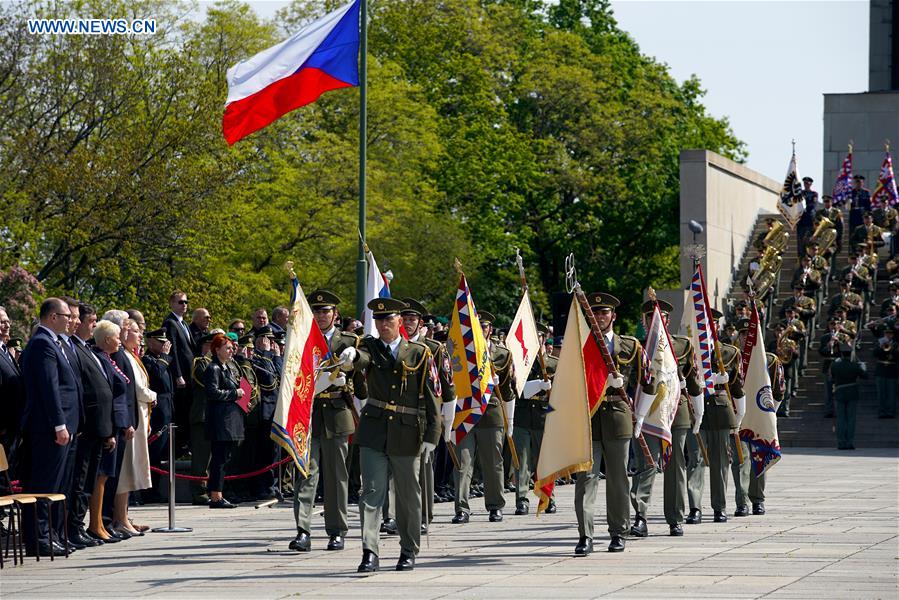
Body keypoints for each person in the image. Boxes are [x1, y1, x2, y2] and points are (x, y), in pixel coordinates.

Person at [351, 298, 440, 573]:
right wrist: (351, 357)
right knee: (371, 492)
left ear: (399, 322)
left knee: (408, 496)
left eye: (388, 320)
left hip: (407, 432)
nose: (383, 325)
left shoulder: (419, 353)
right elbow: (362, 358)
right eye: (379, 320)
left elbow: (433, 395)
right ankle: (370, 551)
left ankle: (408, 549)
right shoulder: (369, 347)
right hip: (374, 431)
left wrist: (432, 434)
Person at [574, 292, 648, 555]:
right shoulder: (580, 345)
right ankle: (586, 535)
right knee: (586, 479)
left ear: (613, 316)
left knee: (618, 479)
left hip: (618, 415)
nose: (600, 317)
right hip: (589, 417)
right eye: (595, 313)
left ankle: (618, 531)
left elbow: (647, 382)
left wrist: (640, 416)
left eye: (604, 312)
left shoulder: (630, 346)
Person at [289, 290, 359, 553]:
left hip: (337, 413)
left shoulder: (348, 341)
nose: (320, 315)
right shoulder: (301, 339)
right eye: (316, 311)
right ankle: (303, 530)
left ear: (335, 314)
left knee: (337, 477)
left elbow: (360, 378)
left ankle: (337, 530)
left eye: (325, 311)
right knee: (306, 475)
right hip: (308, 415)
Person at [630, 300, 703, 538]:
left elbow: (693, 380)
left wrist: (699, 410)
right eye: (649, 317)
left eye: (660, 317)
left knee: (675, 466)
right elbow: (633, 382)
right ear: (644, 321)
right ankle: (640, 516)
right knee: (647, 464)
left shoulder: (682, 345)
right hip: (647, 411)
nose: (654, 320)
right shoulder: (637, 347)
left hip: (675, 411)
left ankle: (675, 518)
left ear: (667, 321)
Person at [20, 298, 83, 556]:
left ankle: (51, 534)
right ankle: (39, 538)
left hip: (63, 425)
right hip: (49, 428)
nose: (71, 320)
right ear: (52, 317)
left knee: (58, 485)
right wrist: (59, 424)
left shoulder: (55, 343)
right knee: (45, 484)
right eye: (67, 316)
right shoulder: (42, 343)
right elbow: (50, 387)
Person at [452, 311, 512, 525]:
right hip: (465, 411)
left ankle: (495, 505)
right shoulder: (459, 350)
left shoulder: (501, 354)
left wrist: (510, 419)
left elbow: (508, 391)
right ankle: (461, 508)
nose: (480, 330)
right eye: (476, 327)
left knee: (493, 462)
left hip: (491, 413)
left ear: (490, 330)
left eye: (484, 327)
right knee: (462, 462)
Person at [400, 298, 455, 531]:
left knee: (423, 466)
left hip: (423, 414)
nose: (407, 323)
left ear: (420, 323)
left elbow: (448, 389)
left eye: (412, 319)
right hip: (397, 414)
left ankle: (423, 515)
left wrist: (447, 425)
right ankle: (393, 516)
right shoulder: (394, 346)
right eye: (404, 319)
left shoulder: (434, 349)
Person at [687, 308, 746, 526]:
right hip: (695, 410)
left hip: (721, 410)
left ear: (717, 326)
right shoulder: (688, 351)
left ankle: (719, 507)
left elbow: (737, 386)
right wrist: (710, 379)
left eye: (709, 324)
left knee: (721, 461)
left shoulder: (729, 353)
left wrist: (740, 415)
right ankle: (695, 507)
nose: (705, 328)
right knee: (696, 460)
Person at [66, 302, 110, 548]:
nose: (95, 325)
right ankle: (73, 527)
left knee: (89, 479)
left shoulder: (87, 348)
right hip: (87, 425)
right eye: (91, 321)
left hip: (98, 426)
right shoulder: (74, 348)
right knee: (80, 480)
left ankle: (79, 525)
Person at [86, 319, 129, 544]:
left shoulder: (108, 359)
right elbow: (109, 396)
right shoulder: (101, 359)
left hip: (116, 424)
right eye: (116, 337)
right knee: (101, 477)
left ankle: (101, 524)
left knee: (106, 476)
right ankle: (96, 523)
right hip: (109, 425)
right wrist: (110, 430)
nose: (120, 341)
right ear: (106, 339)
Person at [114, 318, 156, 535]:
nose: (140, 336)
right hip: (132, 419)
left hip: (139, 418)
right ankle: (120, 519)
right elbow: (138, 389)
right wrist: (153, 396)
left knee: (131, 472)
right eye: (136, 331)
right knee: (126, 472)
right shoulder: (124, 356)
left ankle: (125, 517)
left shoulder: (131, 355)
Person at [511, 322, 557, 516]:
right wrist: (538, 384)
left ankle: (547, 497)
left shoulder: (554, 363)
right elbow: (516, 388)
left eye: (539, 336)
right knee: (522, 461)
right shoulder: (520, 363)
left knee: (544, 461)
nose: (536, 340)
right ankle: (521, 499)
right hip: (522, 415)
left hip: (543, 416)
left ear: (544, 338)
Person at [204, 334, 246, 508]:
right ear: (217, 350)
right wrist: (234, 393)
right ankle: (216, 496)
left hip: (229, 418)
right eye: (227, 348)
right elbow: (212, 392)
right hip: (220, 419)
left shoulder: (226, 367)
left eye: (231, 348)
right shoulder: (213, 368)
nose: (231, 351)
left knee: (225, 457)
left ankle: (218, 493)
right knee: (219, 458)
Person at [249, 326, 281, 500]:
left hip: (275, 410)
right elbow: (269, 381)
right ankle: (263, 487)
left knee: (275, 453)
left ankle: (273, 485)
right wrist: (267, 353)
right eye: (268, 340)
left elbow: (281, 376)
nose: (271, 344)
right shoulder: (257, 358)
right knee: (263, 453)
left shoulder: (272, 358)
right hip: (264, 412)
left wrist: (277, 356)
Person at [142, 328, 174, 502]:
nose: (164, 345)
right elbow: (157, 375)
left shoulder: (161, 359)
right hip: (157, 413)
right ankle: (149, 492)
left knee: (161, 454)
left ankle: (156, 491)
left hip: (166, 410)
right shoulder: (147, 360)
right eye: (160, 342)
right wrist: (164, 357)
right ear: (150, 341)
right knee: (153, 454)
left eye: (164, 342)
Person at [189, 330, 220, 505]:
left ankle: (213, 490)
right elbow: (206, 381)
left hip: (215, 415)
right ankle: (199, 491)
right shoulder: (200, 362)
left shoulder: (218, 364)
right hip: (202, 415)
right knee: (202, 457)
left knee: (214, 457)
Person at [162, 291, 195, 451]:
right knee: (181, 412)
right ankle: (178, 448)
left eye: (186, 302)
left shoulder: (183, 323)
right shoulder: (170, 322)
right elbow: (173, 350)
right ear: (172, 304)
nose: (184, 305)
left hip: (190, 374)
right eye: (181, 302)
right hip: (181, 376)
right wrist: (178, 375)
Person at [0, 307, 25, 487]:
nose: (7, 325)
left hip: (12, 428)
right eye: (1, 322)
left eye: (8, 321)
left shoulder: (5, 350)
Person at [829, 343, 867, 449]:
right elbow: (865, 376)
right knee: (851, 419)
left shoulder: (835, 365)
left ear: (841, 354)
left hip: (840, 393)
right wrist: (863, 367)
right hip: (852, 394)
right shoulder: (855, 365)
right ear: (850, 354)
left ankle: (841, 442)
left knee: (840, 419)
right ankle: (849, 442)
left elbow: (831, 378)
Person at [871, 322, 898, 419]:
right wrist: (881, 347)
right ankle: (882, 412)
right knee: (881, 393)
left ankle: (891, 412)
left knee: (891, 394)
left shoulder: (896, 344)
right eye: (886, 333)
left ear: (893, 334)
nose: (888, 335)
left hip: (892, 370)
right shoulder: (879, 342)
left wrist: (891, 349)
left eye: (890, 333)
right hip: (881, 370)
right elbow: (874, 354)